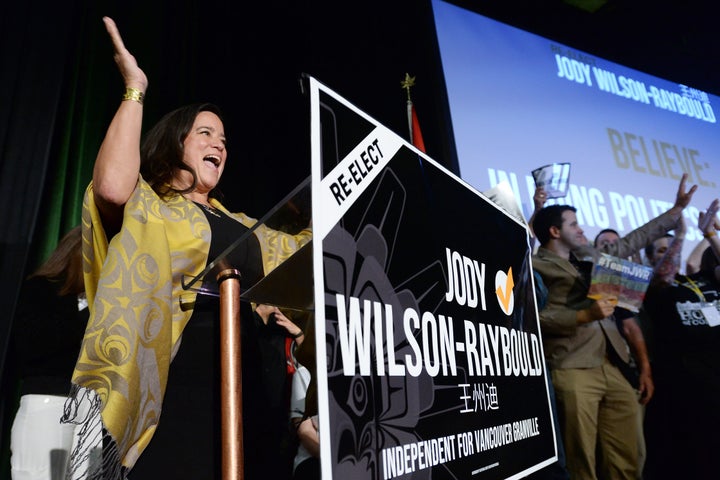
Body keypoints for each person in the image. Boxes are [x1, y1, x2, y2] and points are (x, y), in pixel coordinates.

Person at [61, 17, 311, 480]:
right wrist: (135, 88)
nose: (220, 145)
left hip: (246, 396)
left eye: (224, 140)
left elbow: (301, 253)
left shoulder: (238, 223)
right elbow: (112, 187)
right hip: (177, 395)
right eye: (205, 134)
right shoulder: (152, 209)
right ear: (176, 142)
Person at [530, 174, 695, 480]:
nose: (581, 230)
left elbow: (633, 240)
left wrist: (675, 211)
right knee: (582, 462)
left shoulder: (591, 257)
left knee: (627, 457)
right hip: (572, 365)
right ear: (554, 231)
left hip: (615, 365)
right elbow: (534, 317)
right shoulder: (535, 265)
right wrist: (583, 316)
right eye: (574, 225)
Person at [642, 199, 720, 479]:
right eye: (661, 251)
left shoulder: (700, 280)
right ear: (650, 259)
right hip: (688, 383)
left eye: (671, 248)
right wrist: (682, 235)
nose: (668, 255)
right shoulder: (651, 284)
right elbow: (664, 276)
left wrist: (710, 235)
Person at [8, 226, 92, 480]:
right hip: (48, 403)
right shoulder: (41, 290)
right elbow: (30, 347)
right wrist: (88, 316)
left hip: (93, 411)